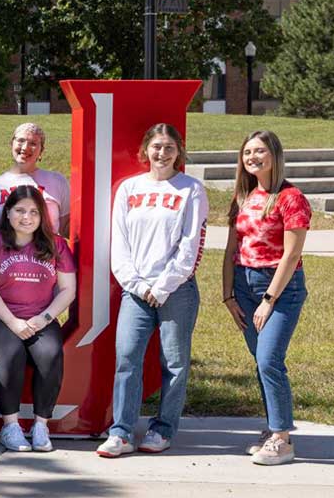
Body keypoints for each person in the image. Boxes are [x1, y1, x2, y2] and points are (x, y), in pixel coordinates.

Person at [97, 123, 208, 458]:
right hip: (136, 290)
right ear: (146, 149)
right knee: (127, 358)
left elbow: (190, 245)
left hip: (176, 290)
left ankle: (163, 429)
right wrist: (138, 284)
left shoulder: (191, 189)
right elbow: (120, 244)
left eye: (169, 147)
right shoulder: (129, 188)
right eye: (156, 146)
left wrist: (162, 286)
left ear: (179, 151)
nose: (162, 153)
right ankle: (121, 432)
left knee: (174, 362)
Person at [221, 131, 311, 466]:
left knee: (269, 360)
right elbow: (232, 249)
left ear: (274, 154)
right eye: (247, 152)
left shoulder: (291, 198)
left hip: (281, 289)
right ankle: (274, 428)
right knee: (262, 363)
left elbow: (291, 254)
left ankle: (283, 441)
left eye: (259, 151)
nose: (252, 157)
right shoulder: (243, 196)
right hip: (243, 286)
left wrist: (269, 299)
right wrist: (228, 295)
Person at [0, 185, 77, 452]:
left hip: (40, 317)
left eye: (33, 212)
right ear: (7, 213)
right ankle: (11, 426)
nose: (26, 217)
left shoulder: (55, 244)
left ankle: (41, 425)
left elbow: (68, 289)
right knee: (10, 352)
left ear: (42, 216)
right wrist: (13, 322)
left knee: (51, 352)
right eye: (19, 210)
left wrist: (45, 318)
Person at [0, 123, 69, 239]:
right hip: (2, 255)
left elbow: (67, 230)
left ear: (41, 150)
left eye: (33, 143)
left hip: (45, 254)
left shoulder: (57, 181)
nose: (25, 147)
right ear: (11, 144)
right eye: (20, 141)